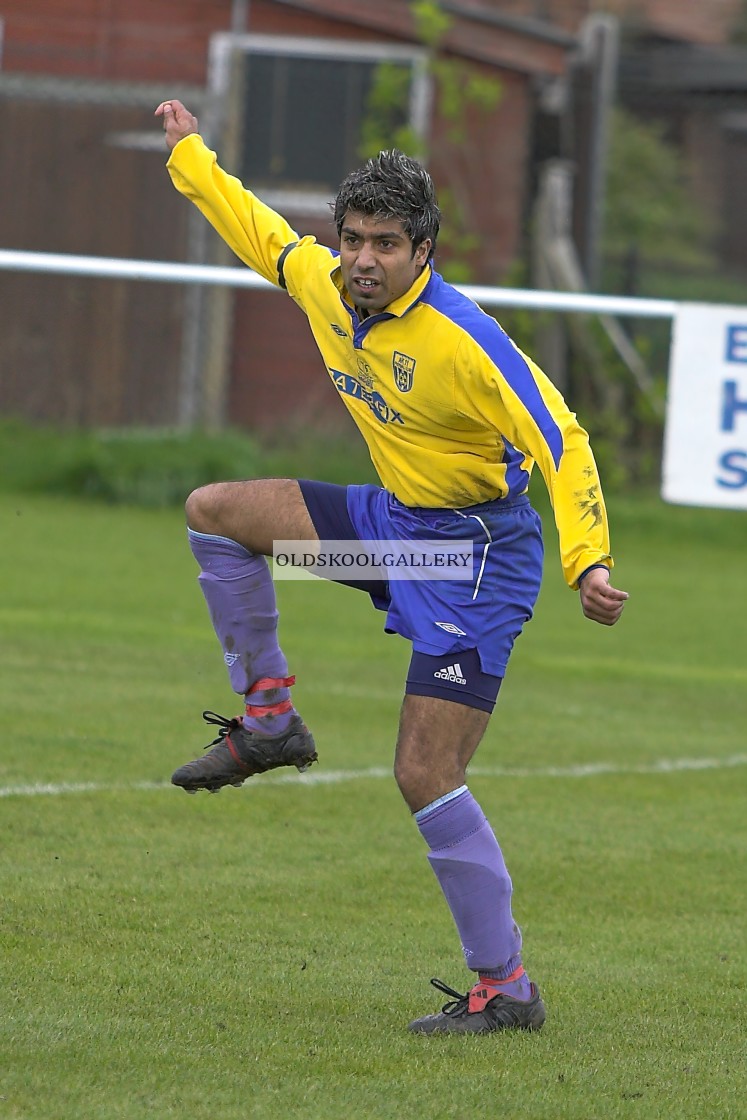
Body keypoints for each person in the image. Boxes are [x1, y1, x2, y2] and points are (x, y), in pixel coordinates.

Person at [155, 98, 628, 1036]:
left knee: (422, 772)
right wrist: (191, 155)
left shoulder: (464, 339)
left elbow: (563, 437)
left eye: (384, 242)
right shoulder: (328, 283)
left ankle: (507, 987)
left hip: (474, 559)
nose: (362, 259)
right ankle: (269, 720)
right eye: (352, 239)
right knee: (215, 515)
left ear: (423, 250)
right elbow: (260, 233)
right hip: (393, 527)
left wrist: (587, 560)